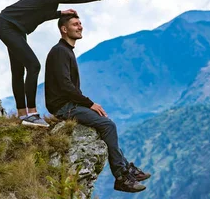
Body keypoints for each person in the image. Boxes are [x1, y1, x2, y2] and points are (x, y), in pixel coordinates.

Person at [0, 0, 133, 127]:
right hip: (7, 25)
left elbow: (41, 14)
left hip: (14, 28)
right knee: (33, 66)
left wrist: (61, 13)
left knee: (18, 71)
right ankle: (31, 114)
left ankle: (22, 115)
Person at [44, 14, 150, 193]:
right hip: (63, 107)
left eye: (80, 23)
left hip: (68, 104)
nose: (80, 27)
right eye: (75, 24)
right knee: (107, 125)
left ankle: (125, 169)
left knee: (105, 125)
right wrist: (90, 104)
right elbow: (65, 85)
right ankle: (122, 177)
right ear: (64, 29)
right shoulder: (60, 51)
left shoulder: (65, 50)